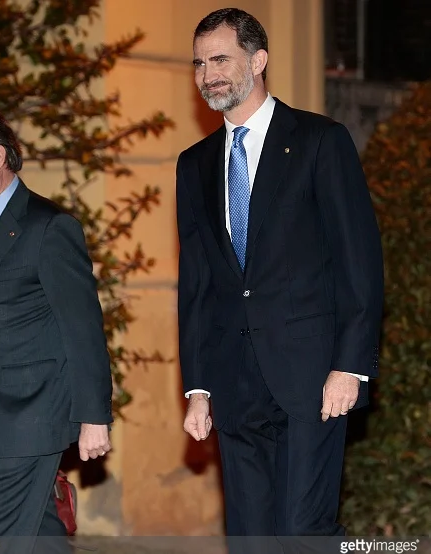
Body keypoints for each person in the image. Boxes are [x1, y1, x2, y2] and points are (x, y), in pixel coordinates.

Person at [177, 7, 384, 541]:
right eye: (199, 63)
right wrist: (197, 387)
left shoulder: (320, 141)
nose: (208, 74)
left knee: (304, 531)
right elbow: (197, 285)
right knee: (250, 536)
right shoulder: (193, 164)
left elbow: (358, 263)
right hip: (232, 385)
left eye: (220, 58)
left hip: (312, 379)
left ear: (259, 59)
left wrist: (350, 366)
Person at [0, 100, 113, 544]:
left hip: (31, 419)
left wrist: (94, 416)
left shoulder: (49, 228)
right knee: (41, 538)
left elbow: (83, 330)